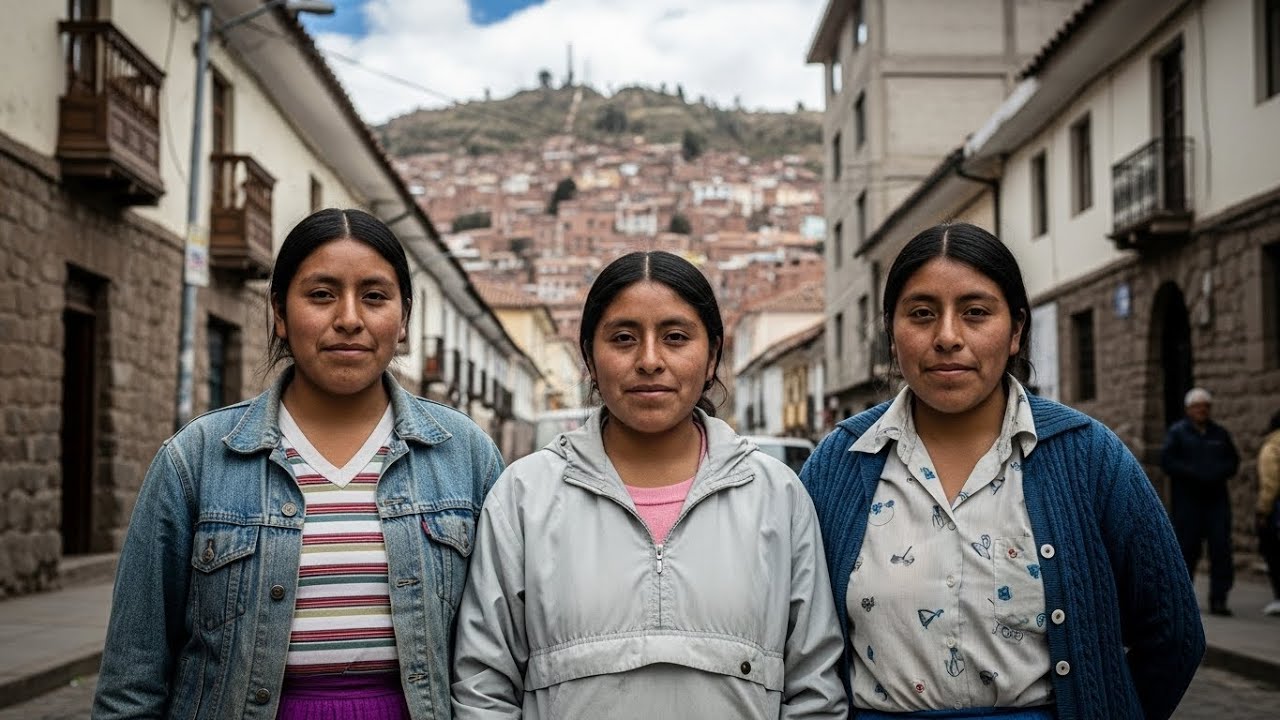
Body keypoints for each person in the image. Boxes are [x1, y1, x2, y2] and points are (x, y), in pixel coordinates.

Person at [92, 209, 504, 720]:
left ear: (403, 320)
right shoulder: (195, 459)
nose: (349, 318)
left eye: (375, 297)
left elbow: (498, 660)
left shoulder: (466, 456)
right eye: (321, 294)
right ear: (280, 314)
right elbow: (131, 679)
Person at [801, 223, 1203, 720]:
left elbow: (1174, 631)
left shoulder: (1087, 457)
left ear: (1015, 331)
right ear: (891, 332)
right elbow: (799, 644)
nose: (948, 337)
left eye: (975, 312)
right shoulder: (840, 464)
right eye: (922, 313)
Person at [450, 250, 848, 719]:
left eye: (675, 337)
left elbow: (815, 690)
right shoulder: (523, 496)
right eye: (623, 338)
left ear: (712, 356)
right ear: (589, 357)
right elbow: (483, 687)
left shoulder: (777, 495)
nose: (650, 361)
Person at [1160, 387, 1240, 615]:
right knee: (1187, 551)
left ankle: (1219, 599)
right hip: (1189, 504)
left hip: (1216, 502)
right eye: (1197, 407)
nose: (1201, 410)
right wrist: (1193, 473)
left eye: (1205, 406)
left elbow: (1233, 461)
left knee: (1221, 551)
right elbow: (1167, 461)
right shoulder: (1177, 433)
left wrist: (1216, 472)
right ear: (1189, 409)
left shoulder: (1219, 434)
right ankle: (1184, 600)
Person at [1258, 409, 1280, 616]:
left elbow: (1270, 482)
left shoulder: (1272, 446)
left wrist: (1263, 510)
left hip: (1277, 507)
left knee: (1274, 552)